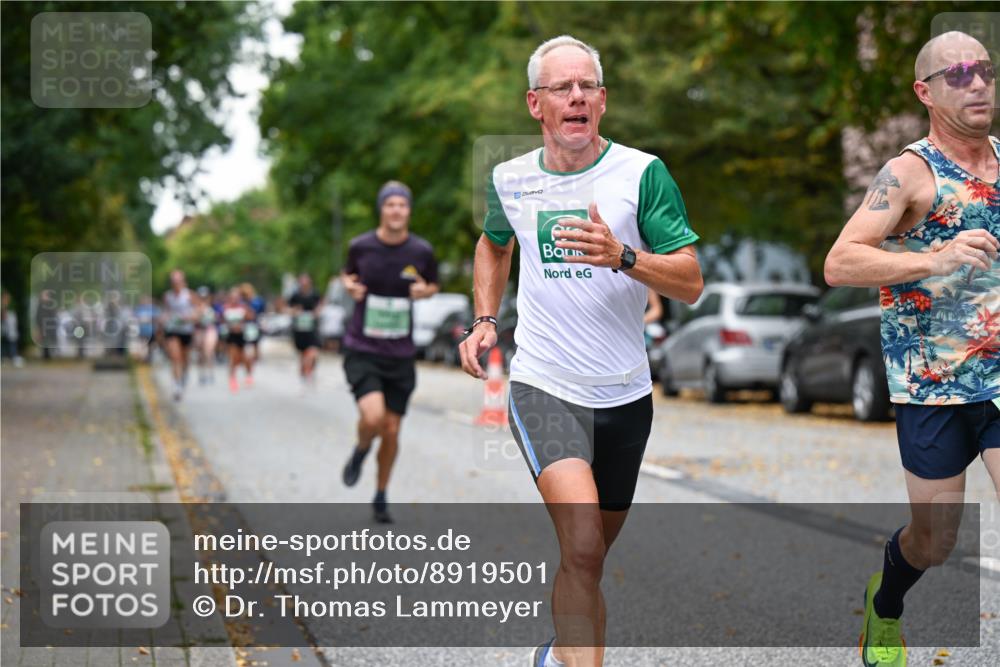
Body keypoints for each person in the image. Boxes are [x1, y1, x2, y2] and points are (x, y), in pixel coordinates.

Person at [459, 35, 702, 667]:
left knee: (586, 557)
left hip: (625, 395)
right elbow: (492, 244)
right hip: (544, 385)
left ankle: (556, 657)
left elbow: (691, 280)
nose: (576, 97)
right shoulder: (510, 180)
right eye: (562, 88)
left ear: (603, 101)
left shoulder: (642, 173)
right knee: (586, 545)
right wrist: (486, 318)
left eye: (587, 86)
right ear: (535, 104)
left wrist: (622, 255)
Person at [824, 32, 999, 667]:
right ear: (925, 92)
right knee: (936, 540)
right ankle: (886, 602)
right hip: (933, 386)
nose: (976, 82)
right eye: (957, 73)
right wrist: (934, 258)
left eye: (984, 69)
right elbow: (840, 262)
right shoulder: (907, 172)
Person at [340, 180, 439, 524]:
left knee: (393, 430)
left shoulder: (421, 251)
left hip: (400, 352)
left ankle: (381, 494)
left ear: (408, 211)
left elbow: (432, 284)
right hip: (363, 348)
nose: (396, 210)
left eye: (402, 205)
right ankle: (361, 450)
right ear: (381, 209)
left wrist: (424, 293)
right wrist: (350, 287)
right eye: (390, 204)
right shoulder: (361, 246)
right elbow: (347, 277)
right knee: (373, 419)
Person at [161, 270, 197, 401]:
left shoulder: (189, 295)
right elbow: (166, 311)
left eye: (178, 281)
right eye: (173, 281)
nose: (175, 283)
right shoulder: (167, 296)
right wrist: (164, 318)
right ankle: (176, 386)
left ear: (183, 281)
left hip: (186, 330)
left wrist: (191, 317)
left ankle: (184, 375)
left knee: (184, 358)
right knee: (175, 357)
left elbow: (199, 311)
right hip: (172, 329)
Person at [288, 273, 323, 391]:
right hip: (299, 330)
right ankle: (304, 377)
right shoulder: (295, 295)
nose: (304, 284)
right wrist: (295, 311)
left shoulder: (315, 294)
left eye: (306, 281)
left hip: (312, 329)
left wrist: (316, 313)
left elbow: (320, 306)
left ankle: (310, 372)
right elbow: (287, 309)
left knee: (313, 353)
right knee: (303, 356)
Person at [222, 287, 254, 393]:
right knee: (233, 358)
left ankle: (249, 375)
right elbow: (222, 321)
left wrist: (246, 313)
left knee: (245, 357)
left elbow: (251, 317)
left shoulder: (243, 307)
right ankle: (232, 379)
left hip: (242, 336)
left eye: (237, 297)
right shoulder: (226, 308)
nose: (235, 299)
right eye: (233, 297)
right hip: (231, 336)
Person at [194, 287, 219, 385]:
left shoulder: (213, 307)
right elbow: (195, 320)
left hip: (209, 330)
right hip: (200, 330)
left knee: (209, 352)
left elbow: (217, 318)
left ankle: (210, 373)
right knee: (201, 354)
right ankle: (202, 374)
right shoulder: (196, 307)